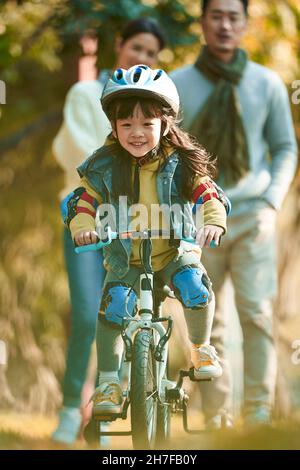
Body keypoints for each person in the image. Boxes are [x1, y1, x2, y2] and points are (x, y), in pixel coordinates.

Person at [65, 64, 229, 416]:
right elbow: (82, 198)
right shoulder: (104, 164)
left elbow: (209, 195)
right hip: (127, 257)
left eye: (147, 124)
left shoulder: (180, 163)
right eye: (126, 125)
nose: (136, 133)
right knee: (114, 306)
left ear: (165, 124)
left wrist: (213, 222)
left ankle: (201, 347)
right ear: (113, 126)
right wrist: (83, 224)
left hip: (173, 251)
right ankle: (109, 381)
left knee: (195, 284)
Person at [171, 0, 298, 428]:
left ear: (245, 23)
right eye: (216, 16)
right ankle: (217, 411)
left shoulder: (266, 83)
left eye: (233, 17)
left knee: (256, 312)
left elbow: (284, 147)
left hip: (251, 216)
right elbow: (169, 152)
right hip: (197, 220)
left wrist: (270, 202)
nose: (225, 25)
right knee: (208, 317)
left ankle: (259, 410)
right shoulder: (177, 84)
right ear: (203, 21)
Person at [52, 17, 166, 445]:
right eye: (136, 47)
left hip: (135, 227)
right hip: (87, 222)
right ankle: (68, 410)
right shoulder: (84, 94)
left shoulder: (152, 106)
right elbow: (86, 159)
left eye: (151, 53)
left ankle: (106, 417)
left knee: (123, 315)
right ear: (119, 45)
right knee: (86, 314)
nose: (142, 57)